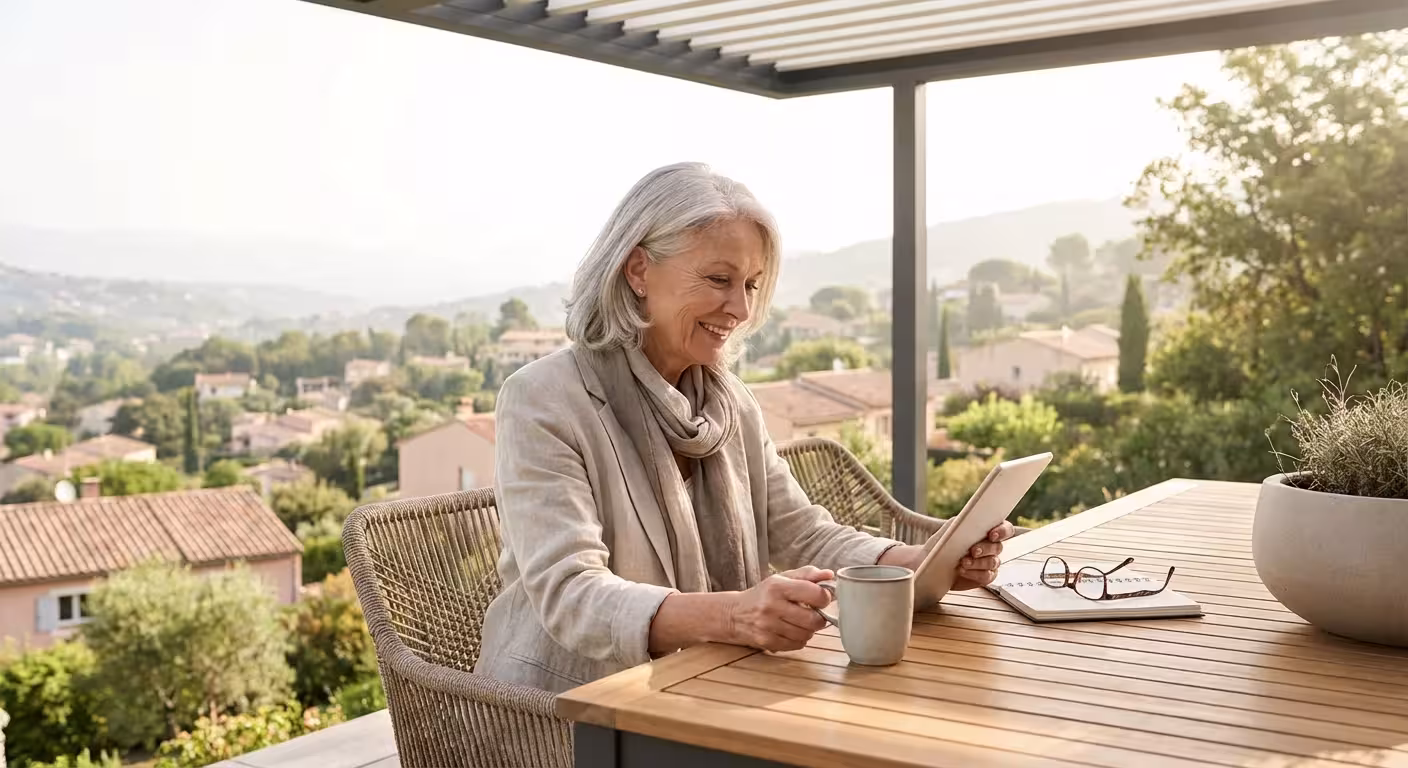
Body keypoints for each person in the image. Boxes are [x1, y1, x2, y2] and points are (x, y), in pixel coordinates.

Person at [475, 162, 1012, 694]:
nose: (741, 308)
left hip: (710, 684)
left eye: (753, 285)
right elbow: (572, 596)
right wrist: (735, 616)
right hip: (568, 711)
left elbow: (801, 532)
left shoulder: (727, 400)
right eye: (718, 280)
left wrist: (922, 567)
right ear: (638, 270)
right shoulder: (543, 399)